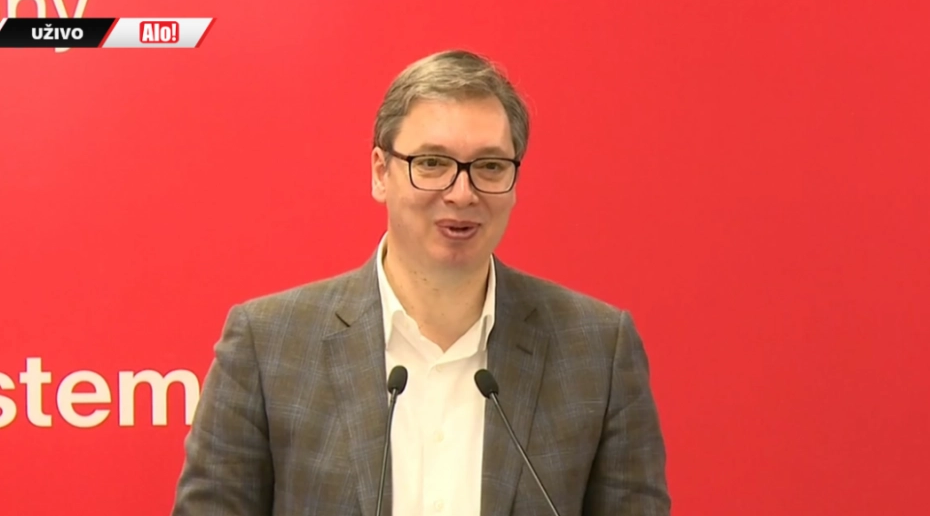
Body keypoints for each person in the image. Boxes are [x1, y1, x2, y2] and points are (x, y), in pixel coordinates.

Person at [170, 49, 671, 516]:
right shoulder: (268, 345)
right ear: (380, 172)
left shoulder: (597, 350)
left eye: (490, 166)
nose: (462, 193)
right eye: (432, 163)